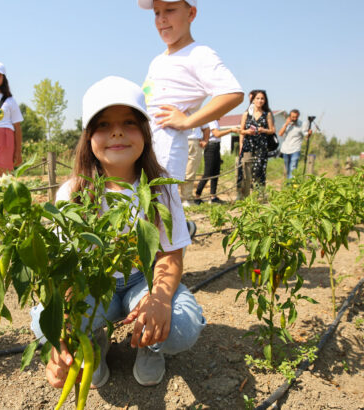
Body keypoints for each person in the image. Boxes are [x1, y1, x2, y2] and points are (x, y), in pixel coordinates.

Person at [31, 76, 205, 388]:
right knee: (46, 323)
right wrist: (66, 328)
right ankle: (93, 343)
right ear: (88, 137)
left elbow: (170, 255)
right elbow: (66, 269)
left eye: (129, 122)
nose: (117, 132)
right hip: (95, 284)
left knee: (180, 325)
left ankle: (151, 345)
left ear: (145, 133)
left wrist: (160, 299)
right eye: (103, 124)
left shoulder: (160, 188)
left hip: (144, 279)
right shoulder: (72, 193)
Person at [138, 0, 243, 182]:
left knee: (161, 203)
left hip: (167, 147)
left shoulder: (200, 54)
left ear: (191, 14)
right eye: (156, 12)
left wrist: (188, 121)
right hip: (146, 143)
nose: (162, 19)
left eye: (170, 10)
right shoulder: (157, 60)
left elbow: (232, 93)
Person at [239, 90, 275, 193]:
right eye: (257, 98)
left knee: (259, 170)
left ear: (265, 100)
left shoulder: (267, 114)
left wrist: (263, 130)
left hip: (261, 146)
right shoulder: (246, 114)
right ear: (253, 100)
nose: (260, 100)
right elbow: (241, 130)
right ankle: (245, 195)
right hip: (248, 145)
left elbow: (272, 130)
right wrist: (247, 131)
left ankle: (259, 195)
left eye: (262, 98)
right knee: (246, 170)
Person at [194, 120, 237, 204]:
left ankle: (213, 196)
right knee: (208, 173)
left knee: (215, 173)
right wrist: (230, 130)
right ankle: (197, 196)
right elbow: (216, 134)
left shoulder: (216, 122)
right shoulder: (211, 121)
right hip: (211, 147)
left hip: (216, 146)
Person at [180, 123, 209, 207]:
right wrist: (205, 140)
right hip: (184, 139)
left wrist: (205, 140)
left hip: (190, 140)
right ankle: (184, 198)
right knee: (186, 171)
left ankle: (186, 197)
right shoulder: (197, 110)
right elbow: (206, 127)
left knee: (189, 171)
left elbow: (206, 127)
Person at [278, 109, 312, 179]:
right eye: (293, 117)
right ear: (289, 116)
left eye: (296, 117)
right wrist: (286, 124)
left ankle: (291, 186)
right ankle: (288, 184)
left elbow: (306, 135)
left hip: (295, 149)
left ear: (298, 116)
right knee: (288, 169)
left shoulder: (301, 124)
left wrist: (309, 134)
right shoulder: (286, 124)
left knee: (293, 169)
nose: (294, 118)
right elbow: (280, 134)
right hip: (285, 150)